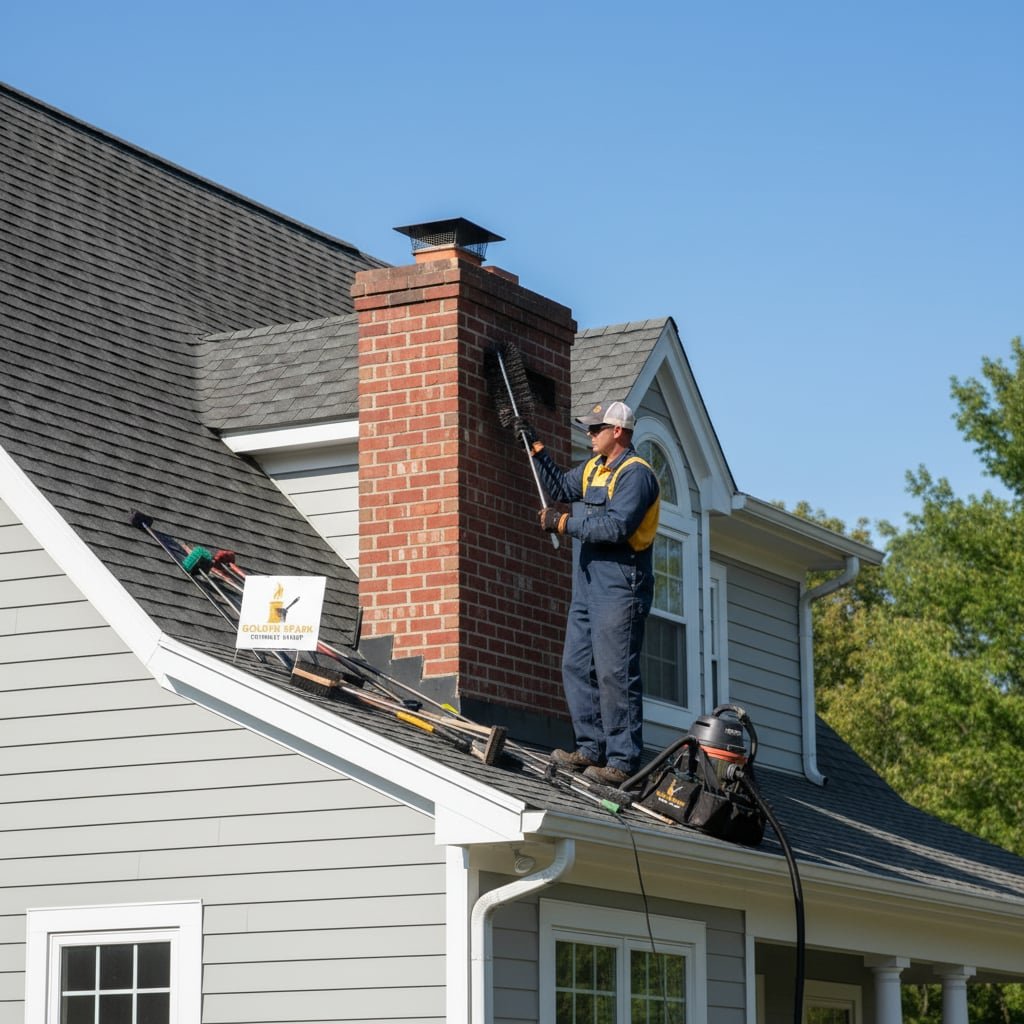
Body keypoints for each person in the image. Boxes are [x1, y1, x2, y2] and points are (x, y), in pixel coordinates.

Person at [521, 399, 660, 786]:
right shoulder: (594, 469)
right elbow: (559, 486)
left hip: (621, 584)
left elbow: (616, 527)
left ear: (618, 431)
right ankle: (589, 749)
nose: (589, 434)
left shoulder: (636, 475)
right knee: (576, 665)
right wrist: (535, 446)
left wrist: (563, 523)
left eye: (596, 429)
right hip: (588, 585)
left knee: (615, 673)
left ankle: (622, 760)